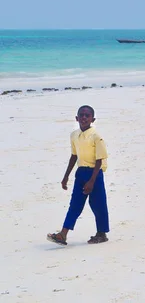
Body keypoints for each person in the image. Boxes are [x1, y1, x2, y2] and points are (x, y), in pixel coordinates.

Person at [47, 105, 110, 246]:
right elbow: (74, 156)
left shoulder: (96, 137)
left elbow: (100, 160)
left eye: (87, 115)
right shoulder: (74, 135)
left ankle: (102, 233)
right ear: (76, 118)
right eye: (81, 115)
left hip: (95, 173)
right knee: (74, 204)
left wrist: (92, 181)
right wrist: (66, 176)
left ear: (92, 119)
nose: (84, 118)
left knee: (98, 204)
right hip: (81, 173)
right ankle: (63, 234)